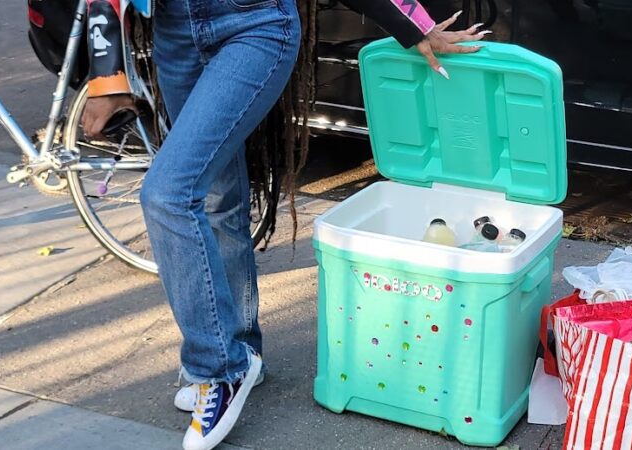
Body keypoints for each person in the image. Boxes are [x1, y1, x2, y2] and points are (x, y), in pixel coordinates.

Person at [81, 1, 488, 449]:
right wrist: (107, 72)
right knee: (215, 196)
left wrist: (412, 26)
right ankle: (243, 351)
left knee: (167, 193)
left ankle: (219, 370)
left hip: (252, 22)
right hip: (175, 29)